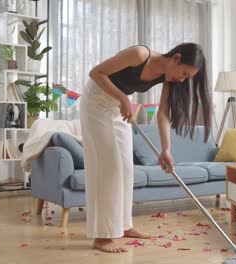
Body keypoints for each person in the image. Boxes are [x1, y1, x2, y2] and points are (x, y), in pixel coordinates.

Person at [80, 43, 212, 253]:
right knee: (110, 168)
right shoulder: (140, 55)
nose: (183, 79)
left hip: (117, 107)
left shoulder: (168, 78)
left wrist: (166, 149)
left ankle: (124, 226)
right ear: (175, 58)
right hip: (96, 102)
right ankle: (102, 236)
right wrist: (123, 98)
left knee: (126, 167)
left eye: (188, 78)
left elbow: (162, 115)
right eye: (185, 73)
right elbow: (96, 73)